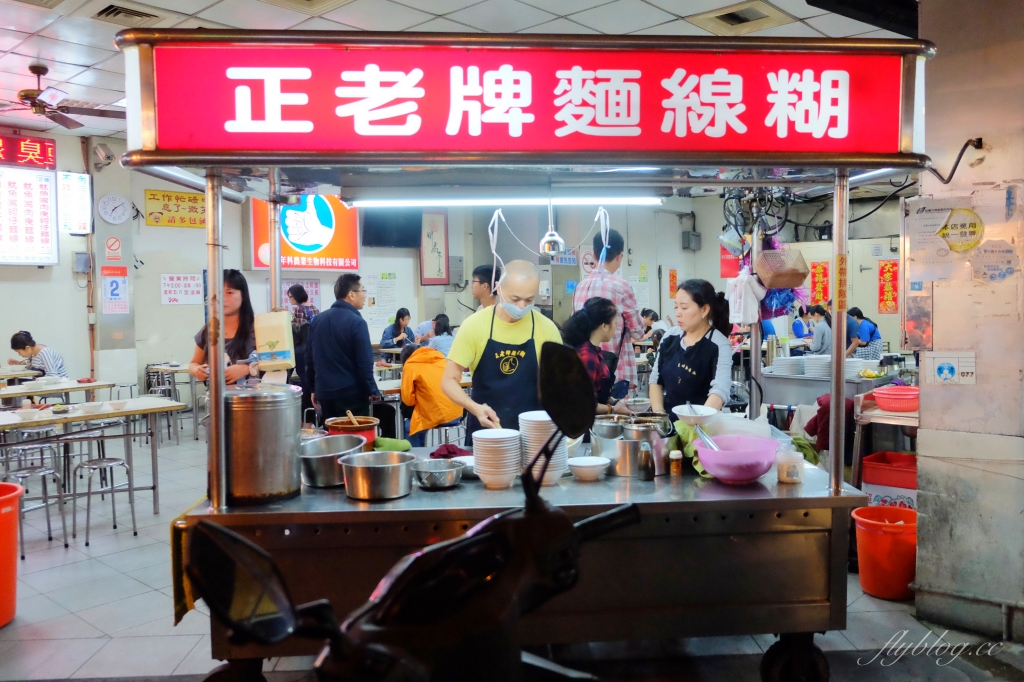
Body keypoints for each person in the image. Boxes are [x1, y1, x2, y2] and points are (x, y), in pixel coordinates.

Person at [442, 260, 563, 437]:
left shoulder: (546, 328)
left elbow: (560, 384)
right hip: (486, 432)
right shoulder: (474, 326)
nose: (522, 306)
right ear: (498, 288)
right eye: (515, 299)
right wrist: (474, 408)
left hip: (533, 435)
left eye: (529, 299)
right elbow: (448, 380)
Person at [572, 228, 644, 397]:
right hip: (614, 373)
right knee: (616, 420)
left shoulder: (579, 286)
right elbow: (638, 332)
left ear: (594, 255)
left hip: (585, 368)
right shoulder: (621, 287)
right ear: (620, 256)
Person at [649, 279, 733, 415]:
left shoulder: (719, 344)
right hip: (667, 423)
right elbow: (655, 380)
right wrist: (659, 414)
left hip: (702, 425)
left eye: (684, 307)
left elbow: (720, 390)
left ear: (704, 309)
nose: (678, 313)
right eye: (676, 306)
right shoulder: (670, 336)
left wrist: (695, 423)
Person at [307, 273, 381, 420]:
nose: (365, 296)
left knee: (332, 439)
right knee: (355, 439)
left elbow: (310, 359)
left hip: (325, 394)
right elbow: (364, 362)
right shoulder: (357, 322)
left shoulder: (317, 320)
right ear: (351, 295)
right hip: (352, 395)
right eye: (363, 291)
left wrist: (313, 389)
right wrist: (372, 390)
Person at [562, 297, 632, 416]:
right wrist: (612, 409)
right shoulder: (587, 355)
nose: (616, 328)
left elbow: (598, 390)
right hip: (586, 426)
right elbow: (583, 402)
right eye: (615, 323)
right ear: (604, 326)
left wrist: (616, 402)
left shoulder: (594, 351)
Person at [189, 269, 256, 385]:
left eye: (229, 293)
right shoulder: (208, 330)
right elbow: (194, 363)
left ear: (243, 295)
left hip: (253, 399)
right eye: (219, 293)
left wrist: (247, 368)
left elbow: (276, 360)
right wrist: (197, 370)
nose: (223, 299)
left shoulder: (258, 328)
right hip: (217, 399)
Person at [400, 343, 463, 447]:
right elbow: (458, 378)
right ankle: (423, 451)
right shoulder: (441, 359)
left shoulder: (410, 365)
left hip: (438, 415)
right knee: (420, 419)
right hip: (458, 413)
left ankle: (416, 458)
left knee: (410, 426)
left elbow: (408, 400)